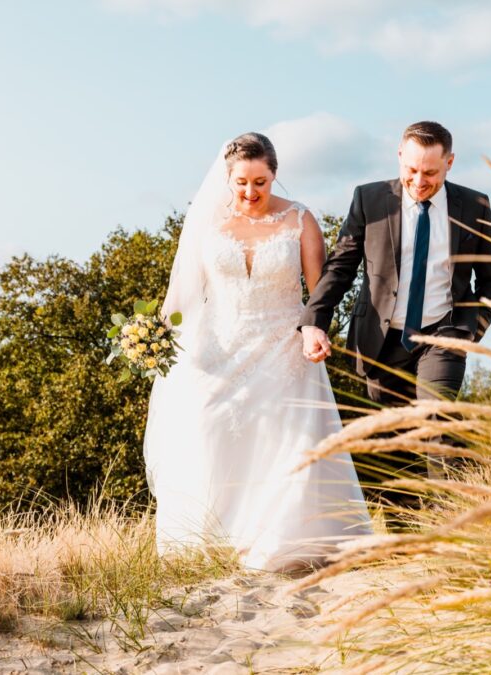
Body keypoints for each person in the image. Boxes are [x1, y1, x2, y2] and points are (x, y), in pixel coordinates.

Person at [142, 133, 373, 573]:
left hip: (283, 346)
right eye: (242, 183)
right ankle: (210, 541)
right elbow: (183, 294)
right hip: (217, 346)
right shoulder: (207, 224)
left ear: (275, 176)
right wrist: (154, 335)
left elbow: (320, 292)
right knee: (210, 433)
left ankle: (274, 544)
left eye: (261, 183)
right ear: (227, 179)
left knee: (282, 442)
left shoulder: (300, 220)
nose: (251, 193)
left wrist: (314, 331)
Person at [299, 121, 491, 491]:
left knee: (436, 423)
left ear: (450, 163)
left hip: (442, 337)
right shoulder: (370, 199)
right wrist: (314, 321)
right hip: (380, 341)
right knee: (389, 449)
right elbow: (341, 267)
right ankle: (403, 539)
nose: (419, 180)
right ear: (399, 157)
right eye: (411, 170)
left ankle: (450, 525)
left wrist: (468, 331)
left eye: (430, 172)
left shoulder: (474, 206)